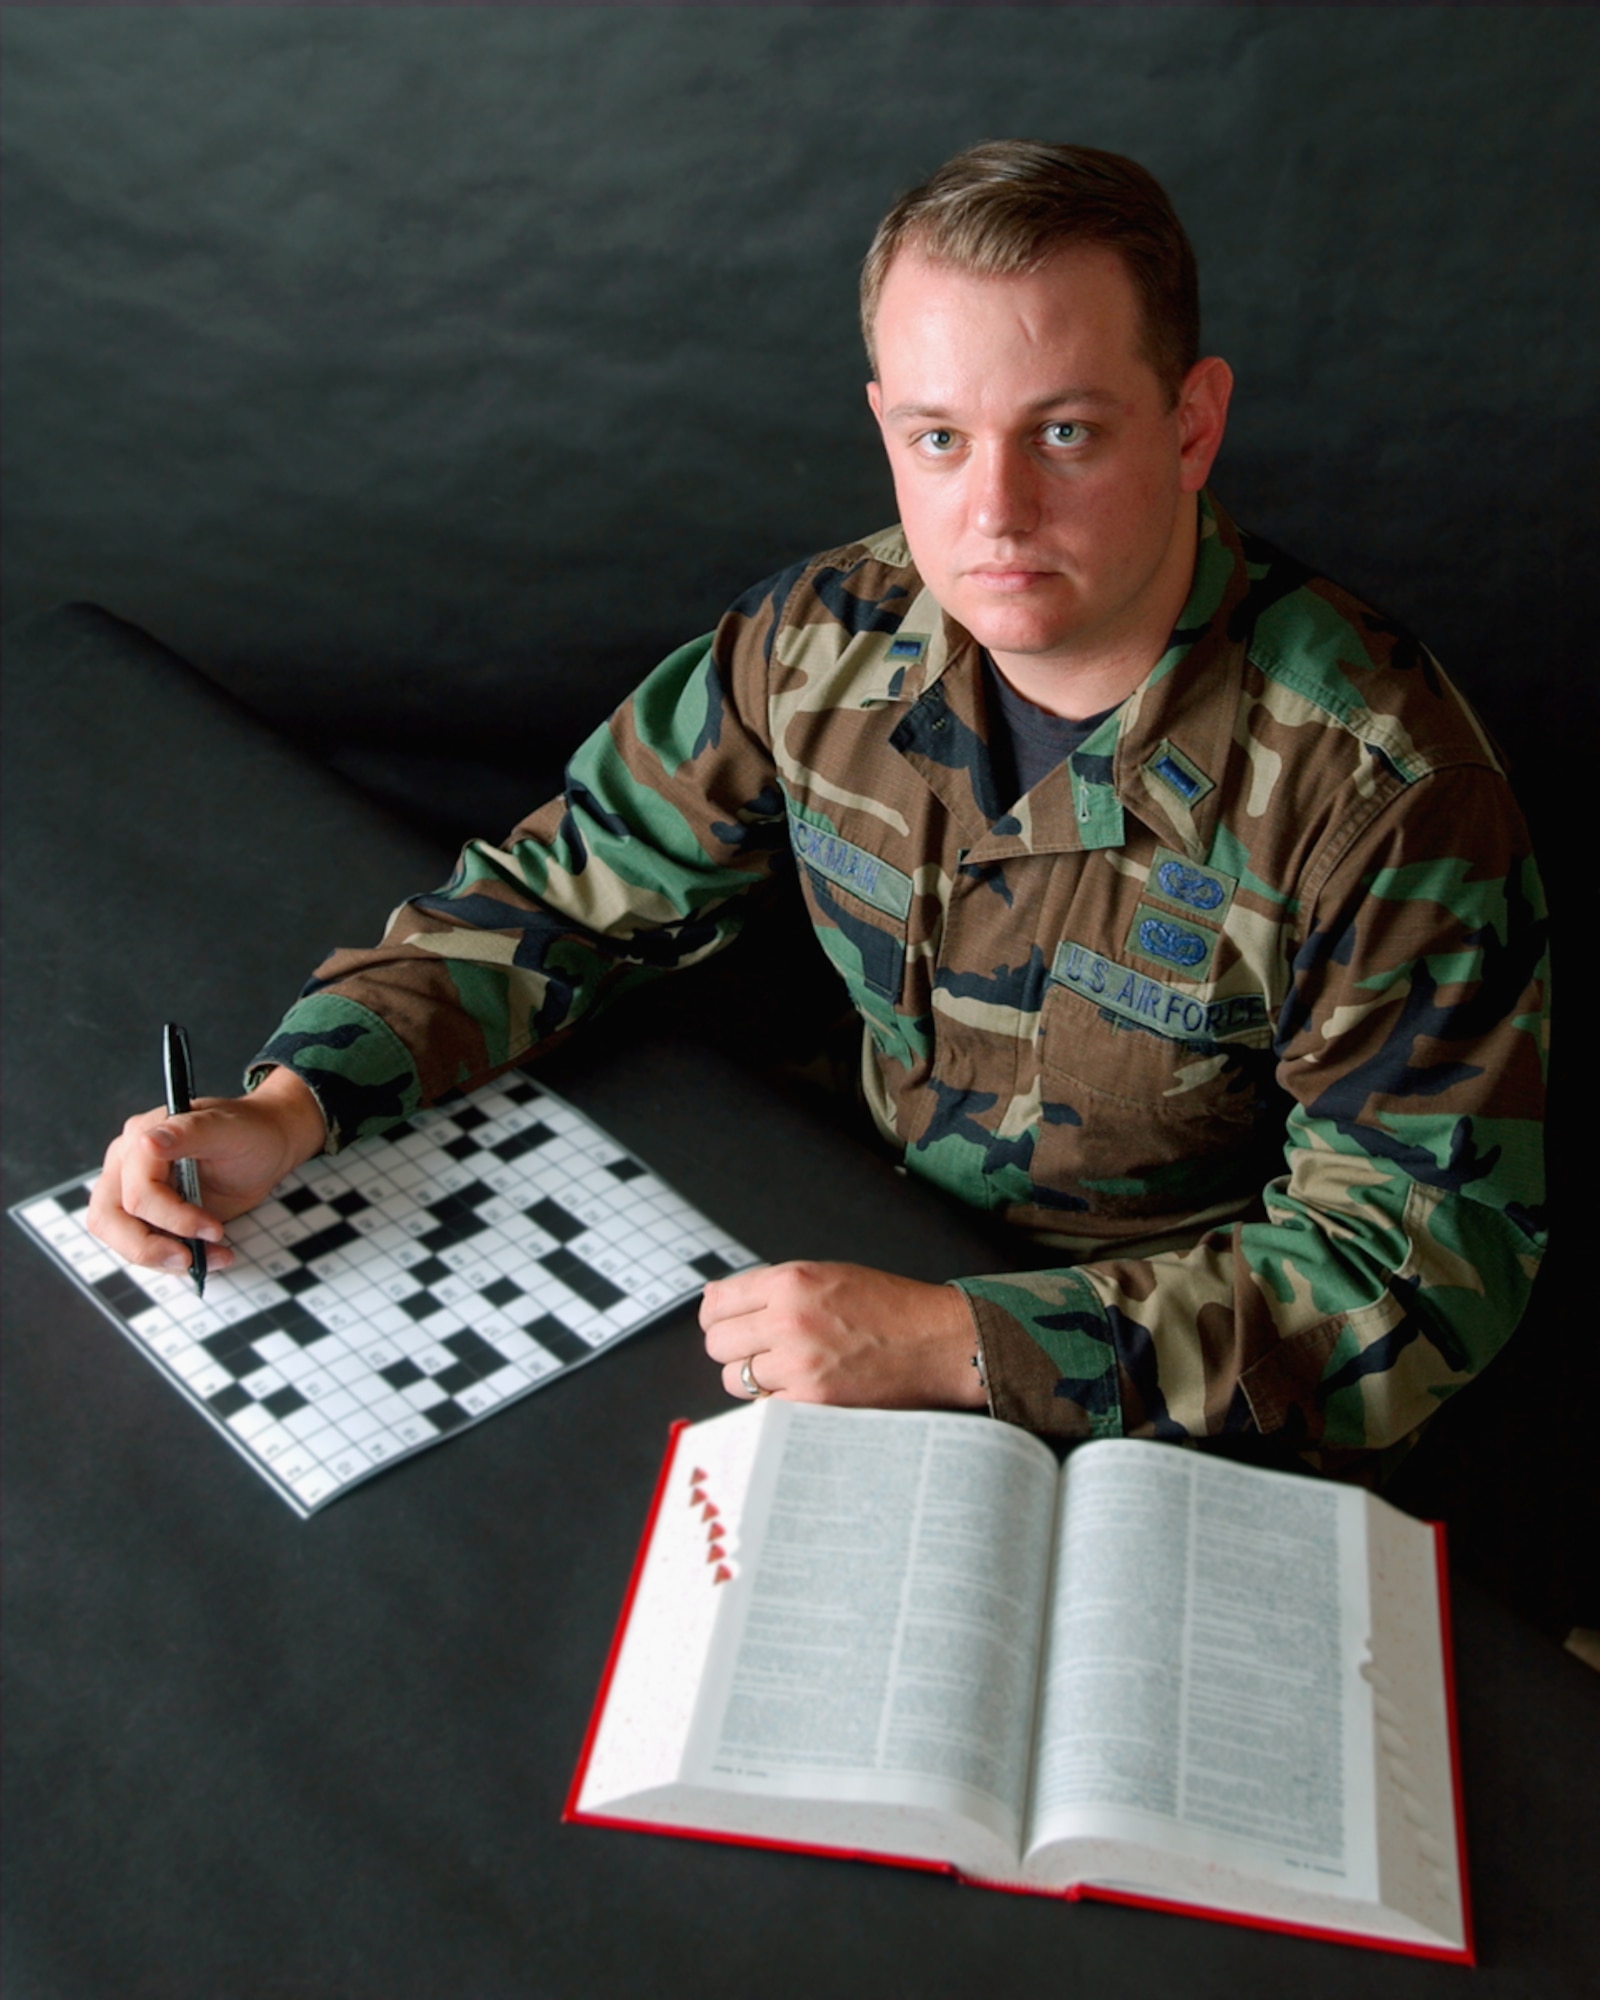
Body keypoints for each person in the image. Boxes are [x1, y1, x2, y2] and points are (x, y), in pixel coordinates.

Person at [87, 142, 1549, 1473]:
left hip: (1163, 1379)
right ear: (882, 426)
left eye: (1066, 435)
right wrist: (296, 1103)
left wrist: (963, 1348)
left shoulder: (1383, 792)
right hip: (851, 1240)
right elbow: (567, 891)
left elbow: (1409, 1284)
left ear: (1191, 421)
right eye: (937, 439)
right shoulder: (823, 639)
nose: (993, 516)